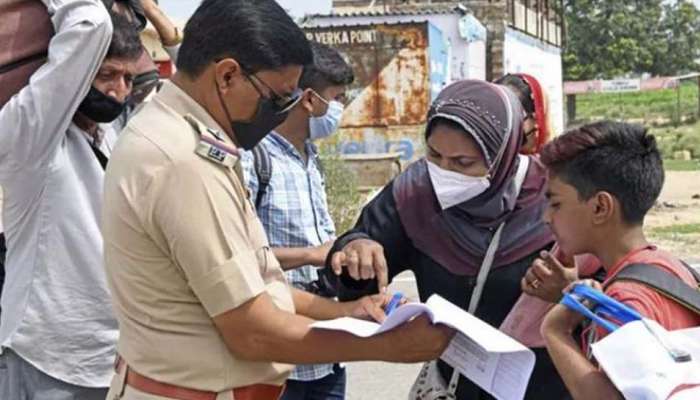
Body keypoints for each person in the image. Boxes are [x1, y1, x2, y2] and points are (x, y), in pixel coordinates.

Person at [101, 1, 454, 400]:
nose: (283, 112)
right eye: (278, 97)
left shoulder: (180, 136)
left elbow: (254, 285)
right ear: (228, 75)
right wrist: (385, 347)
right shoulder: (183, 162)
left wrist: (344, 314)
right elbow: (252, 331)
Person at [324, 80, 571, 399]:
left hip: (543, 387)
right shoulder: (414, 193)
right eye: (434, 155)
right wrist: (354, 250)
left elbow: (614, 283)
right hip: (455, 385)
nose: (444, 172)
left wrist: (571, 289)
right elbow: (356, 282)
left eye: (463, 163)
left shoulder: (554, 197)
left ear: (503, 154)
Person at [0, 2, 142, 399]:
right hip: (46, 358)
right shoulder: (33, 137)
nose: (119, 91)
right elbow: (89, 24)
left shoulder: (110, 137)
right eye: (106, 75)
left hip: (109, 360)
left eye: (128, 79)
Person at [532, 121, 700, 399]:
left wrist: (556, 330)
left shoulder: (624, 300)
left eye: (556, 203)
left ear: (600, 206)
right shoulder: (669, 267)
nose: (546, 217)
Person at [241, 41, 353, 400]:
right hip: (279, 363)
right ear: (309, 99)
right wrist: (310, 255)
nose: (341, 109)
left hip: (328, 353)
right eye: (337, 98)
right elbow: (238, 257)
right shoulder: (254, 159)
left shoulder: (311, 159)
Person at [495, 73, 552, 154]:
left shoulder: (558, 163)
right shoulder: (481, 162)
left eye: (514, 119)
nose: (505, 129)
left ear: (537, 118)